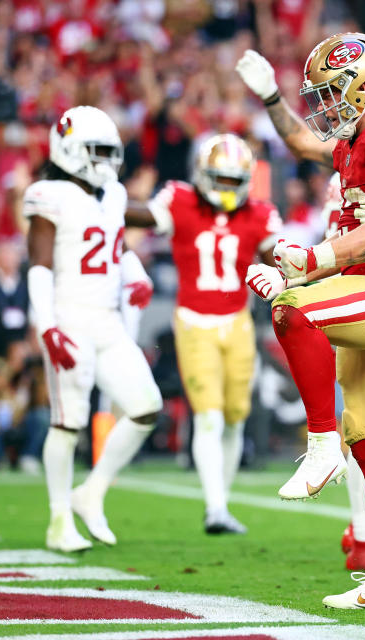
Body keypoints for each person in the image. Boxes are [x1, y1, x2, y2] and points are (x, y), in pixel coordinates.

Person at [236, 33, 365, 610]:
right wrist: (301, 272)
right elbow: (347, 235)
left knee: (291, 312)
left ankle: (321, 444)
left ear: (362, 84)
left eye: (333, 92)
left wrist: (308, 268)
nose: (326, 105)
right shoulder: (352, 139)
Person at [125, 133, 281, 535]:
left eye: (234, 181)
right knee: (209, 418)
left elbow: (281, 265)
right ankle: (215, 508)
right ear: (201, 174)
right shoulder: (179, 200)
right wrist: (111, 200)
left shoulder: (260, 214)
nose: (226, 189)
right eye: (220, 179)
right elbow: (140, 216)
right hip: (194, 321)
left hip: (239, 322)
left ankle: (222, 504)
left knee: (233, 419)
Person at [24, 105, 163, 551]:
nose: (105, 162)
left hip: (107, 321)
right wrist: (47, 327)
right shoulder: (50, 195)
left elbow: (113, 247)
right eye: (96, 151)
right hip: (69, 319)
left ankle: (92, 491)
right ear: (68, 150)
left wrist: (135, 272)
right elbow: (40, 267)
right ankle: (58, 519)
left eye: (110, 152)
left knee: (145, 407)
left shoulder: (114, 196)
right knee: (68, 423)